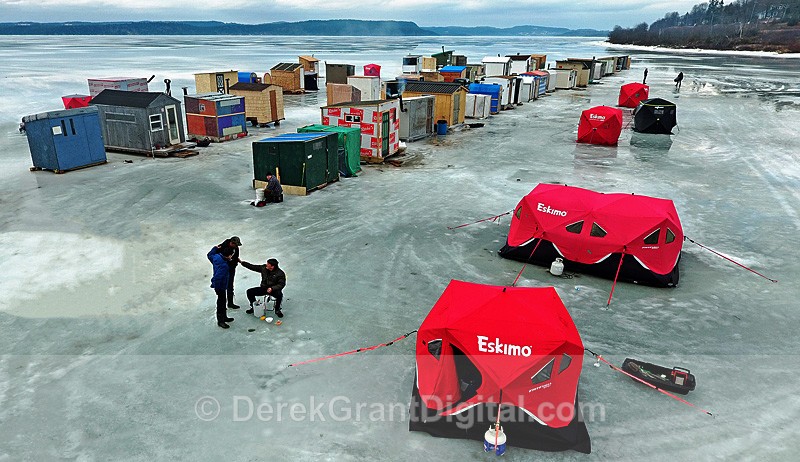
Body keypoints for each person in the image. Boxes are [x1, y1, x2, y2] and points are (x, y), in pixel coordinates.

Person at [210, 236, 242, 309]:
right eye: (236, 245)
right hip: (224, 269)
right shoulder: (222, 247)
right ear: (231, 243)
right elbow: (215, 258)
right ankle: (223, 305)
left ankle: (230, 303)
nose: (237, 246)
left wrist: (236, 261)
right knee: (223, 287)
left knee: (230, 285)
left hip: (231, 268)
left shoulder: (236, 248)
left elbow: (236, 256)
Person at [207, 247, 235, 329]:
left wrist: (215, 248)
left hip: (219, 285)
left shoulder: (217, 257)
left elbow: (209, 255)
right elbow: (218, 277)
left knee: (223, 301)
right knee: (221, 303)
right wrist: (219, 288)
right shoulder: (224, 266)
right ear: (229, 255)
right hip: (220, 286)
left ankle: (224, 317)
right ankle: (221, 321)